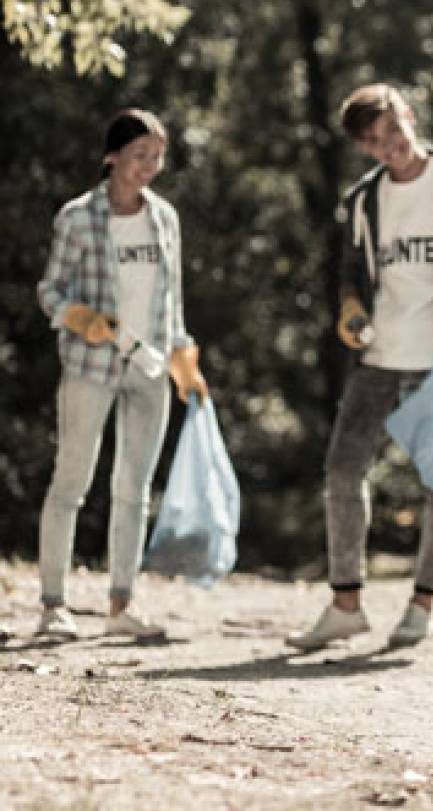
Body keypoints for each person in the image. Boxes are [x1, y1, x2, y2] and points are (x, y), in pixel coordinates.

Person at [285, 83, 433, 652]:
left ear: (408, 116)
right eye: (376, 145)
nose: (391, 149)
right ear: (366, 149)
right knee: (342, 471)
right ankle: (345, 605)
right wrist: (352, 308)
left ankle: (422, 604)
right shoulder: (364, 200)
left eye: (394, 133)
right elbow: (351, 273)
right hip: (380, 356)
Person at [35, 108, 210, 642]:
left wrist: (183, 356)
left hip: (149, 369)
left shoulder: (164, 219)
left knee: (133, 489)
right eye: (139, 156)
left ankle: (120, 604)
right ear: (111, 156)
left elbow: (171, 300)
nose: (149, 167)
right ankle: (52, 605)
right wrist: (75, 317)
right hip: (92, 366)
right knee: (72, 482)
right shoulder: (78, 218)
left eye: (157, 157)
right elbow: (49, 291)